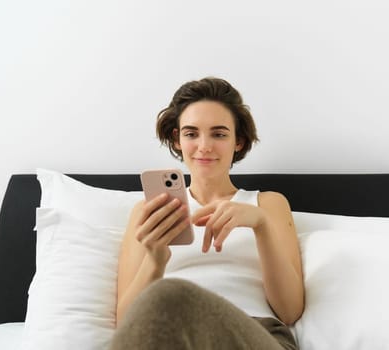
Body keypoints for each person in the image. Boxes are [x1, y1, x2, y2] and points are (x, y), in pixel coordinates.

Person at [112, 77, 304, 350]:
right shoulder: (147, 212)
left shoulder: (267, 205)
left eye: (219, 134)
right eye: (191, 134)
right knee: (164, 299)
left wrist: (260, 225)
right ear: (177, 140)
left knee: (168, 294)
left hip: (254, 335)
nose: (204, 146)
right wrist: (156, 261)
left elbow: (290, 311)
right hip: (170, 338)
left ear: (238, 141)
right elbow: (129, 326)